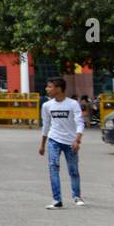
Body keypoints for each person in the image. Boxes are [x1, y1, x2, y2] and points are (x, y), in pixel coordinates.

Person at [40, 78, 85, 209]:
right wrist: (42, 144)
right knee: (53, 168)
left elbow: (79, 122)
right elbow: (46, 125)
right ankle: (57, 200)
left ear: (58, 88)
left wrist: (77, 139)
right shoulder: (47, 105)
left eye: (49, 87)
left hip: (71, 142)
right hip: (53, 140)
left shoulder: (72, 104)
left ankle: (77, 196)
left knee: (73, 170)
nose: (47, 89)